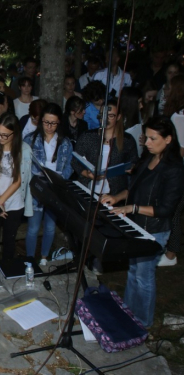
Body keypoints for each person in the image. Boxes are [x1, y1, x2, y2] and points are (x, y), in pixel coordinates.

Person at [101, 117, 184, 327]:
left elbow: (166, 209)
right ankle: (128, 313)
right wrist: (118, 198)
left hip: (154, 230)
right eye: (146, 137)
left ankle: (143, 323)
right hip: (137, 225)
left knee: (144, 277)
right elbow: (136, 189)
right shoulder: (148, 158)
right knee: (133, 272)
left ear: (168, 139)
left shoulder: (174, 169)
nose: (146, 142)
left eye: (152, 138)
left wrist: (133, 208)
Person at [0, 113, 33, 281]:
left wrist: (1, 201)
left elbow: (18, 181)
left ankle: (6, 269)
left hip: (13, 202)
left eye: (5, 135)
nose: (0, 137)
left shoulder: (22, 150)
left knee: (9, 239)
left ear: (14, 134)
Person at [24, 103, 73, 266]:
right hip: (36, 190)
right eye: (46, 122)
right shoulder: (30, 140)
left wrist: (59, 178)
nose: (49, 127)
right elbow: (24, 167)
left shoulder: (65, 142)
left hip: (55, 189)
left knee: (51, 227)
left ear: (59, 123)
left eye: (53, 123)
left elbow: (69, 166)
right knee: (33, 227)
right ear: (40, 121)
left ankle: (44, 257)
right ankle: (30, 259)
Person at [73, 100, 138, 195]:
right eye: (102, 114)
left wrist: (131, 167)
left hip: (114, 192)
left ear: (119, 117)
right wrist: (86, 174)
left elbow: (134, 161)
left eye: (111, 116)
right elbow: (75, 161)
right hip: (88, 188)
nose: (105, 118)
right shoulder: (88, 136)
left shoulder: (127, 140)